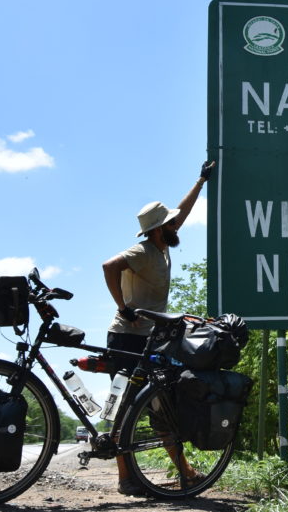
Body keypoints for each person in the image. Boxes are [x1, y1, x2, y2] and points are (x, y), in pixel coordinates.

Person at [101, 160, 215, 496]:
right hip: (125, 337)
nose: (176, 226)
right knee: (126, 408)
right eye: (169, 224)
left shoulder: (163, 244)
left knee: (159, 404)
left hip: (147, 339)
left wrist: (201, 180)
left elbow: (182, 212)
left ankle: (185, 470)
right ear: (157, 230)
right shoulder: (145, 250)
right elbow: (109, 266)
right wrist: (124, 307)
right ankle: (125, 478)